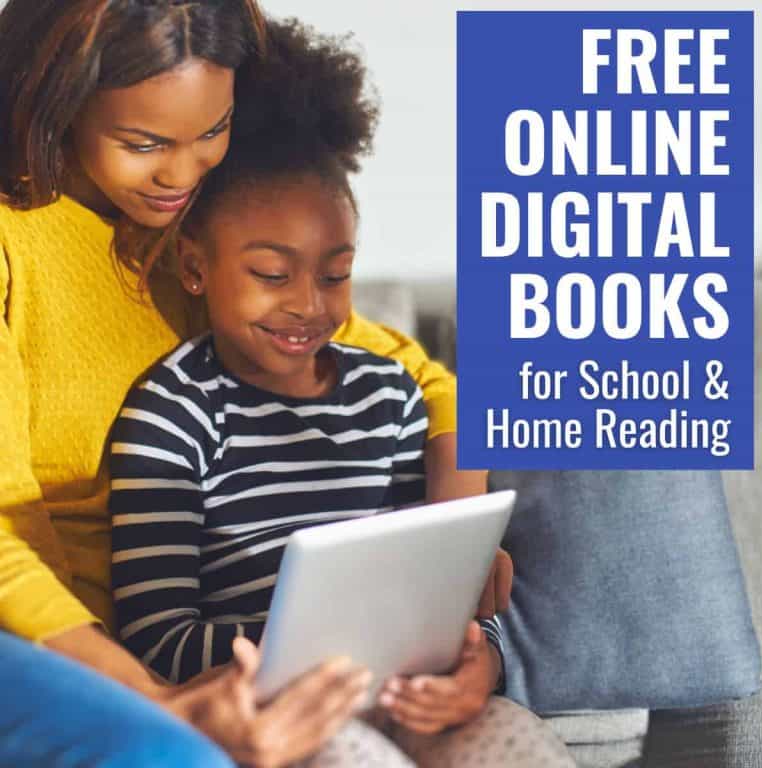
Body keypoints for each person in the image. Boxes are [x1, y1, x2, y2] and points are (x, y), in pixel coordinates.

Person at [0, 1, 512, 766]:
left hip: (219, 663)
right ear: (58, 103)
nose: (182, 175)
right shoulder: (18, 245)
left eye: (212, 131)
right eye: (144, 144)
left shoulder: (201, 234)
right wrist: (157, 703)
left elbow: (430, 383)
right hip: (61, 651)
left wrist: (453, 561)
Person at [108, 18, 576, 768]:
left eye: (335, 274)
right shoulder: (172, 416)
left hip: (403, 692)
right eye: (271, 275)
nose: (308, 304)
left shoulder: (390, 398)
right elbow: (156, 639)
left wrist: (478, 658)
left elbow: (445, 592)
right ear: (195, 269)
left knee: (515, 736)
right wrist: (319, 656)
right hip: (274, 710)